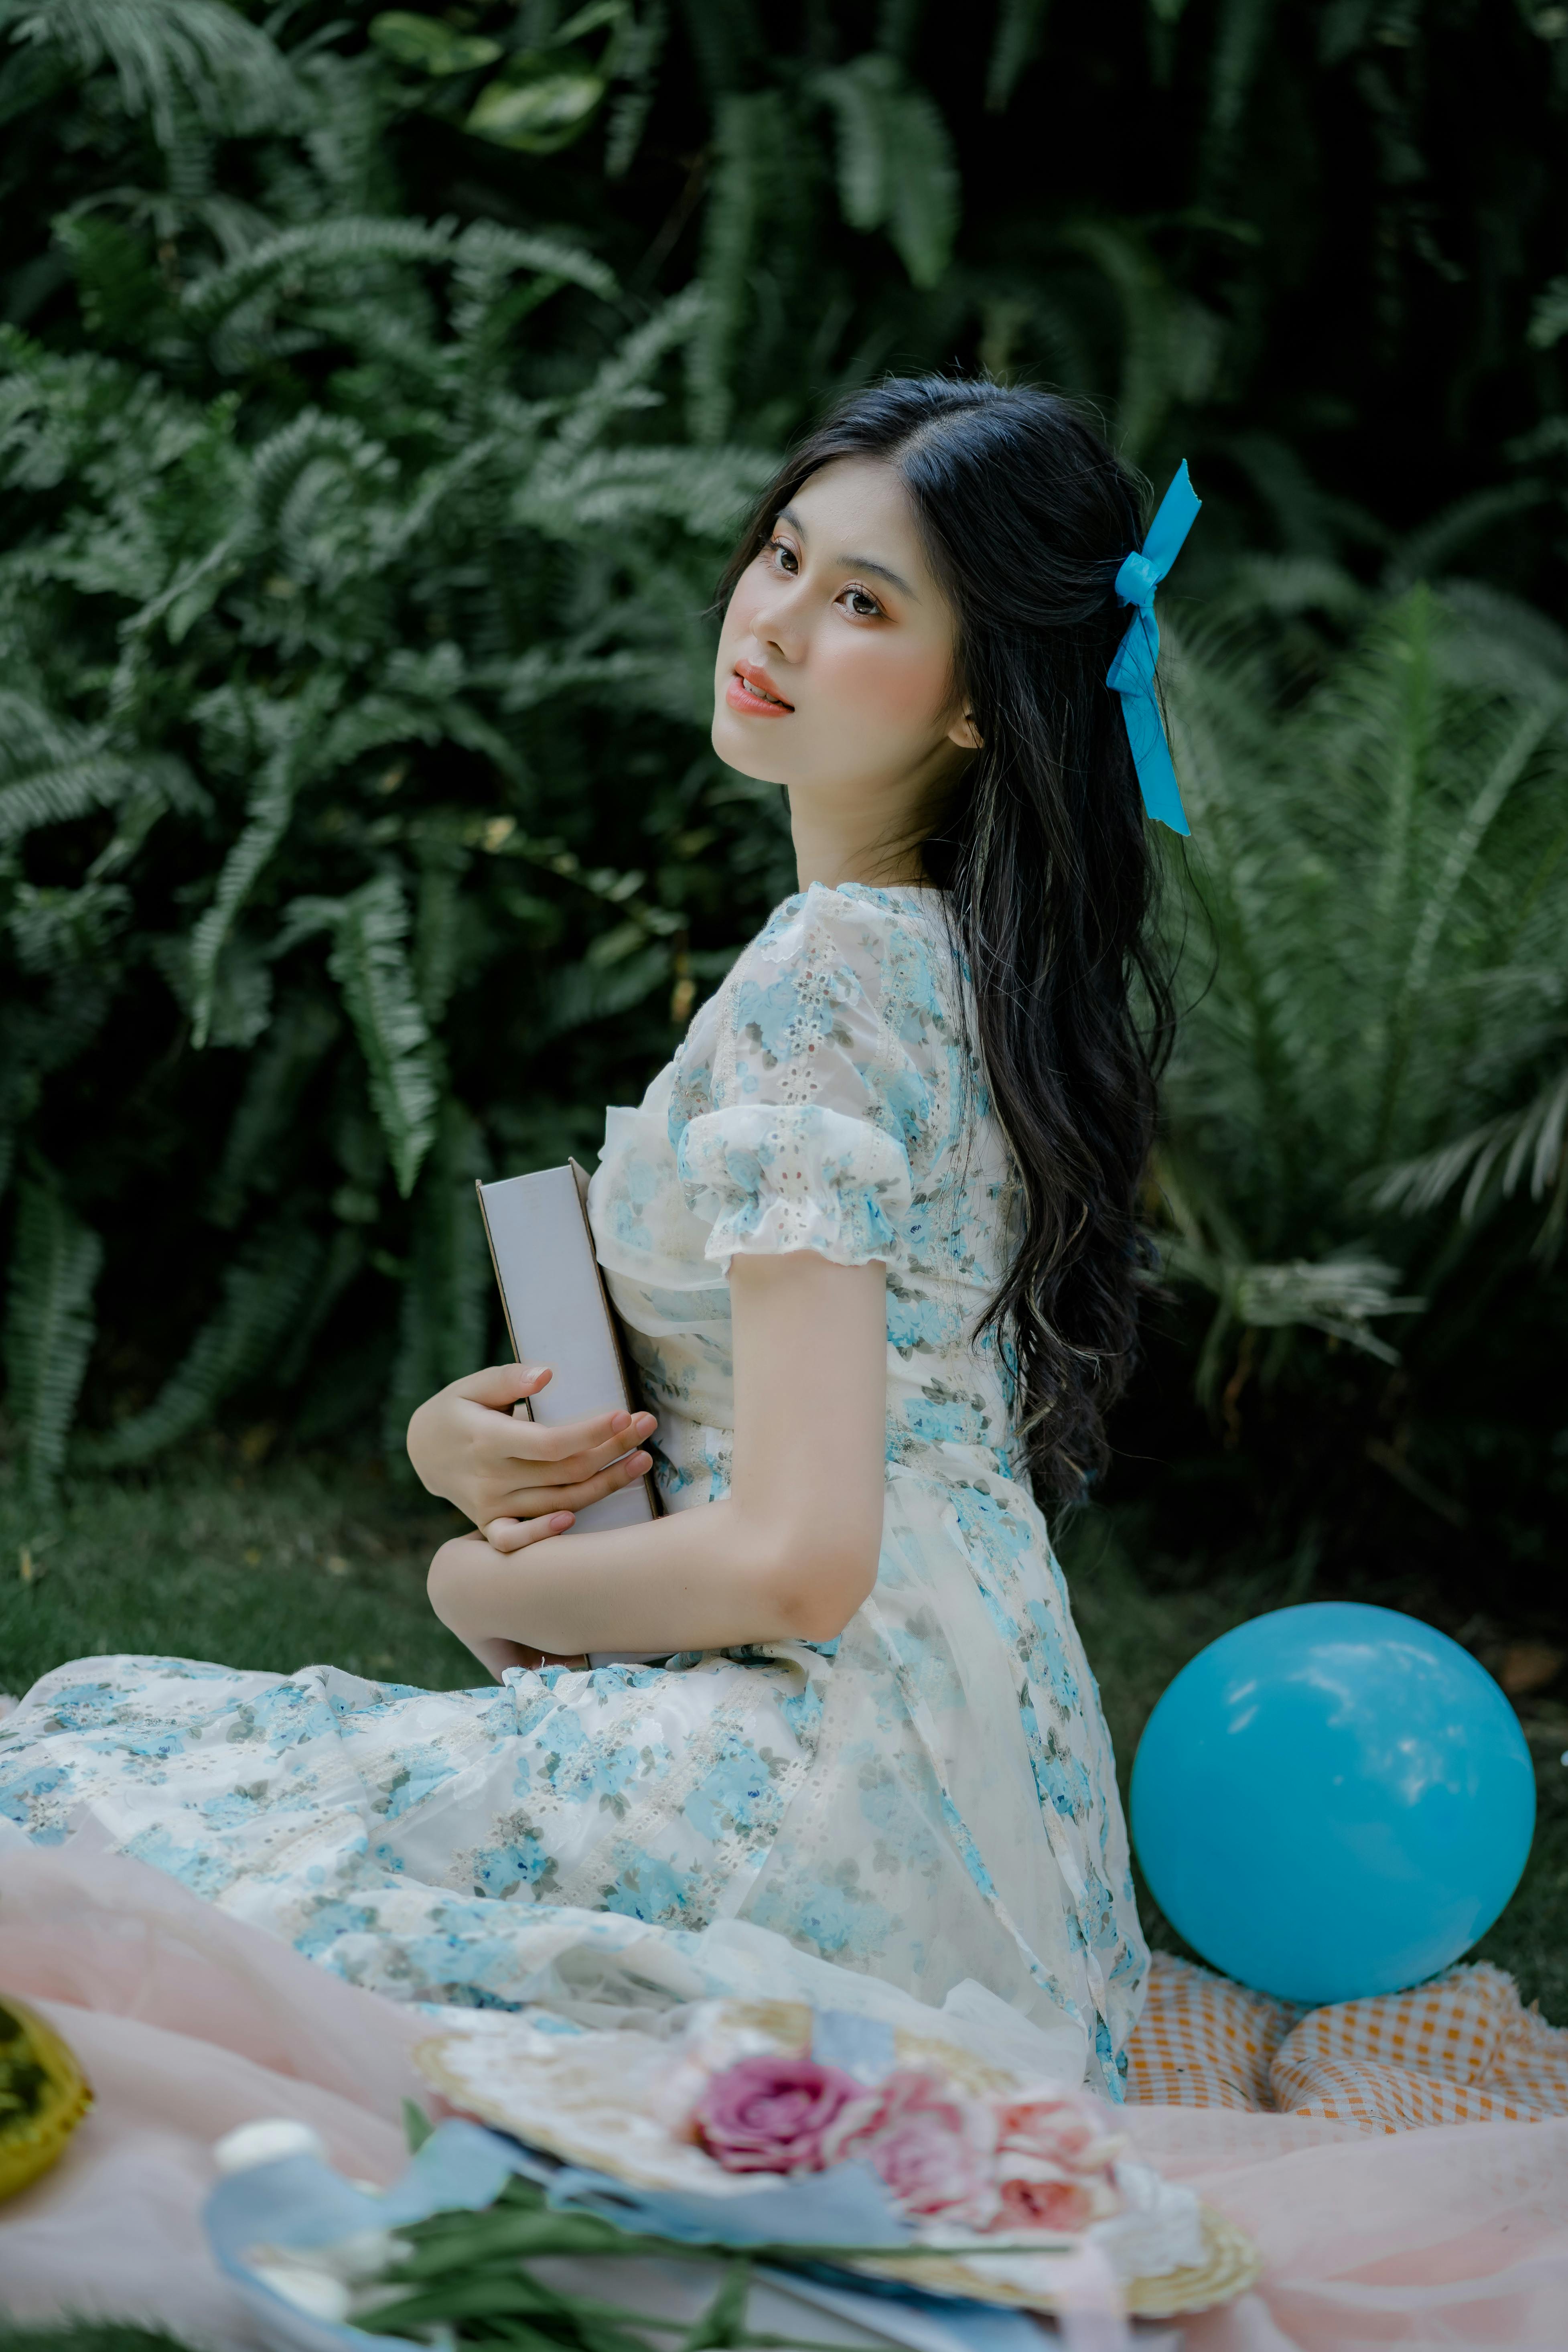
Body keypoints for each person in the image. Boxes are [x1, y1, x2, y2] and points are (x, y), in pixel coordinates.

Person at [0, 377, 1181, 2101]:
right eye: (785, 553)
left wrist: (473, 1576)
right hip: (1005, 1822)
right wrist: (472, 1451)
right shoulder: (961, 970)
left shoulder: (828, 986)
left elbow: (799, 1557)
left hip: (822, 1783)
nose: (772, 615)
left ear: (984, 706)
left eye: (864, 600)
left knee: (110, 1802)